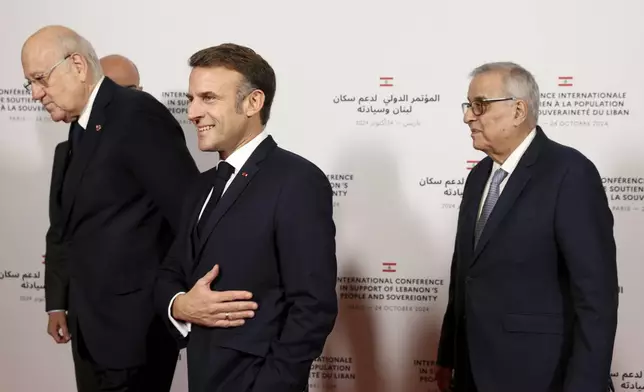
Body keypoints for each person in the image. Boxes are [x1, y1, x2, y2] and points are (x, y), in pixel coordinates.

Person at [23, 25, 200, 391]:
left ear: (77, 65)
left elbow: (188, 213)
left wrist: (176, 302)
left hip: (136, 333)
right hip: (93, 331)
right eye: (30, 83)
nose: (36, 93)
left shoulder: (136, 113)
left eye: (41, 79)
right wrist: (61, 302)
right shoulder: (80, 129)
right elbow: (70, 229)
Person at [154, 43, 338, 392]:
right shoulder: (200, 187)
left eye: (208, 98)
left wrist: (272, 384)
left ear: (253, 102)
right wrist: (181, 305)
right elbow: (169, 273)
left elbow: (313, 305)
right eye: (191, 98)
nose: (192, 112)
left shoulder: (297, 181)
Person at [435, 62, 618, 392]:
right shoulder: (478, 178)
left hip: (542, 376)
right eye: (468, 105)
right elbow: (463, 275)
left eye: (479, 105)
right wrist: (448, 355)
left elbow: (596, 298)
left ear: (518, 110)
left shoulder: (570, 173)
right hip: (471, 374)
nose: (467, 117)